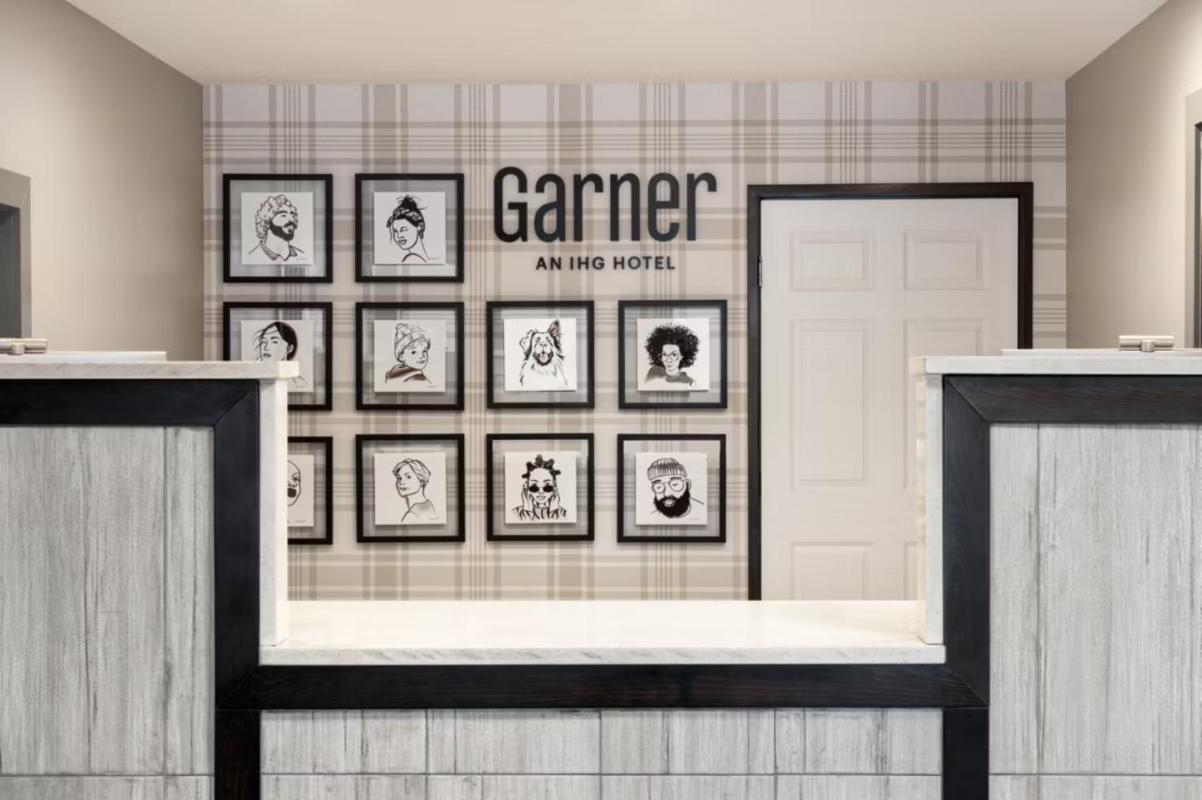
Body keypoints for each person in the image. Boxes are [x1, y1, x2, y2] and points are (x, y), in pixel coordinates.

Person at [251, 320, 309, 389]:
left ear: (289, 348)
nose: (266, 348)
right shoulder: (254, 379)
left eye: (274, 342)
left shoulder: (298, 384)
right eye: (263, 342)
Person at [248, 194, 304, 262]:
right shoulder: (252, 257)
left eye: (292, 215)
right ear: (267, 222)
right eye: (283, 215)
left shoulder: (302, 256)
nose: (292, 219)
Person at [512, 454, 568, 521]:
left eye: (547, 487)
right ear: (527, 486)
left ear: (554, 486)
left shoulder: (564, 514)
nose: (541, 492)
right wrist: (527, 509)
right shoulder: (515, 514)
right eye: (534, 487)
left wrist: (554, 510)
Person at [647, 456, 704, 520]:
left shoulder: (702, 511)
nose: (667, 493)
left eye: (675, 484)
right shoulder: (651, 517)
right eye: (659, 487)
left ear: (687, 484)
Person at [385, 195, 431, 264]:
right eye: (395, 231)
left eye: (403, 229)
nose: (398, 236)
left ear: (418, 227)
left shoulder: (412, 259)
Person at [393, 458, 438, 523]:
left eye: (408, 477)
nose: (401, 482)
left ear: (421, 481)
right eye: (399, 478)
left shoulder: (412, 515)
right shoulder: (428, 504)